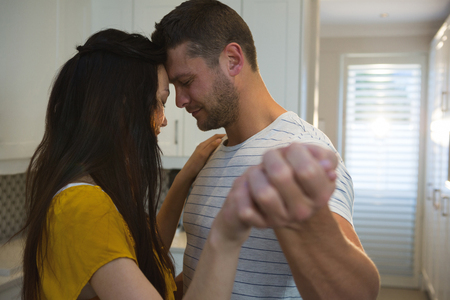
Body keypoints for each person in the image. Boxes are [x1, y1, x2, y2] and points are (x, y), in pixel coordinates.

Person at [19, 28, 336, 300]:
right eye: (159, 102)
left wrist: (184, 177)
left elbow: (148, 250)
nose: (164, 119)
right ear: (121, 110)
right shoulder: (82, 207)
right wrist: (227, 231)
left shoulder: (90, 194)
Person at [151, 1, 381, 299]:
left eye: (186, 81)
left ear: (233, 60)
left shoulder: (301, 150)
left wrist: (306, 218)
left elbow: (354, 295)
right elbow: (202, 275)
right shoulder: (212, 155)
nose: (180, 101)